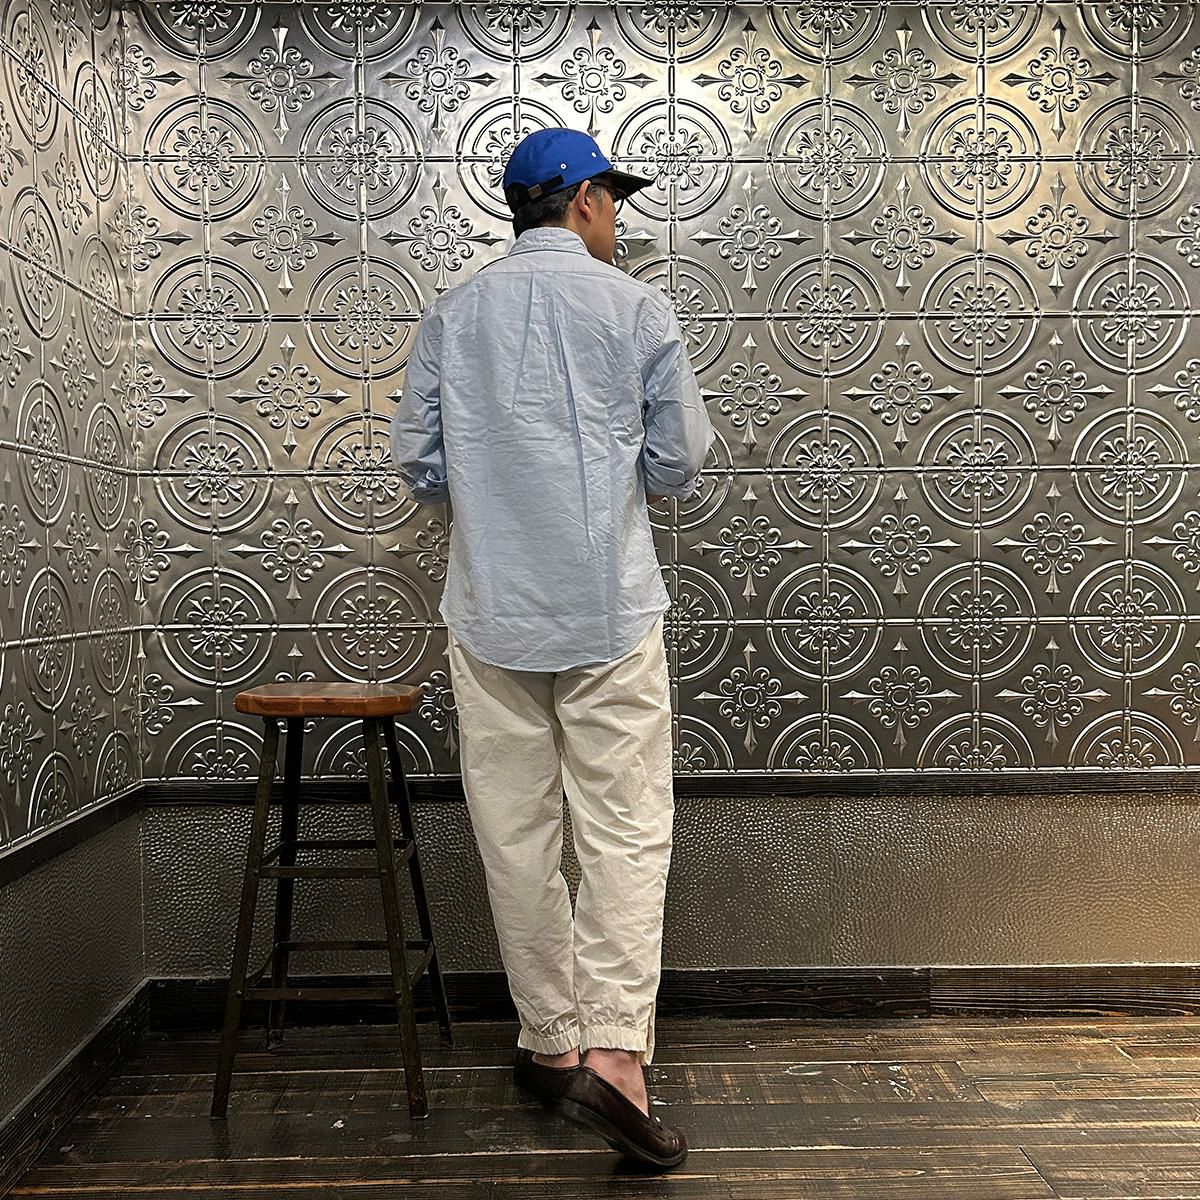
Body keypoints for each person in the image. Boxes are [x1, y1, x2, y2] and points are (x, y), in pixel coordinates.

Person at [389, 126, 714, 1170]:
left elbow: (419, 465)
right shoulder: (637, 308)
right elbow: (679, 463)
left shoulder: (454, 312)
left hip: (491, 610)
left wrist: (497, 497)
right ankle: (616, 1055)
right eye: (613, 200)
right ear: (582, 202)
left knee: (515, 829)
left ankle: (550, 1041)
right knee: (625, 828)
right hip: (610, 609)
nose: (616, 218)